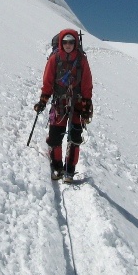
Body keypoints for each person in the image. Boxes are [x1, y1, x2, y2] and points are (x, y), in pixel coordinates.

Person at [34, 29, 93, 182]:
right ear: (61, 43)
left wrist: (87, 104)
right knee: (55, 136)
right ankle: (57, 167)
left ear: (76, 43)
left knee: (74, 137)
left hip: (78, 104)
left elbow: (87, 83)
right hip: (60, 103)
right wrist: (43, 100)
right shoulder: (54, 59)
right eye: (65, 42)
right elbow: (47, 81)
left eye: (71, 42)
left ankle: (69, 171)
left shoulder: (82, 60)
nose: (68, 45)